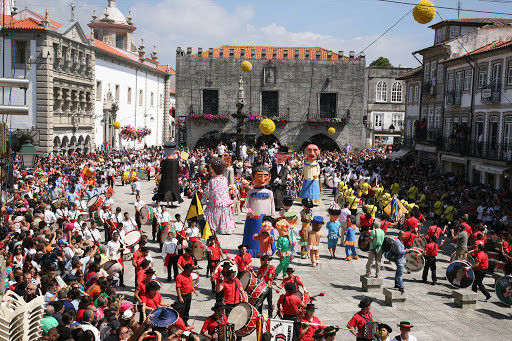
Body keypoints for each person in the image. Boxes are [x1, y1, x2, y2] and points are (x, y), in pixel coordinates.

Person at [203, 157, 236, 235]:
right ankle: (224, 228)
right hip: (224, 203)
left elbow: (208, 193)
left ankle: (213, 227)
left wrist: (203, 199)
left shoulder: (212, 181)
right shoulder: (224, 179)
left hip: (214, 204)